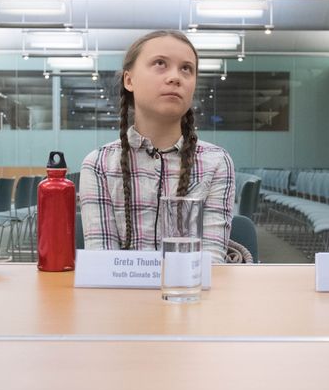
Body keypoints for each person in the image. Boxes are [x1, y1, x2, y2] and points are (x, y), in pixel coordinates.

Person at [79, 30, 235, 262]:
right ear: (129, 80)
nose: (175, 77)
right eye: (160, 63)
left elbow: (210, 261)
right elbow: (103, 262)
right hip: (119, 297)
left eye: (186, 69)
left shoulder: (216, 162)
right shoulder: (98, 164)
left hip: (189, 295)